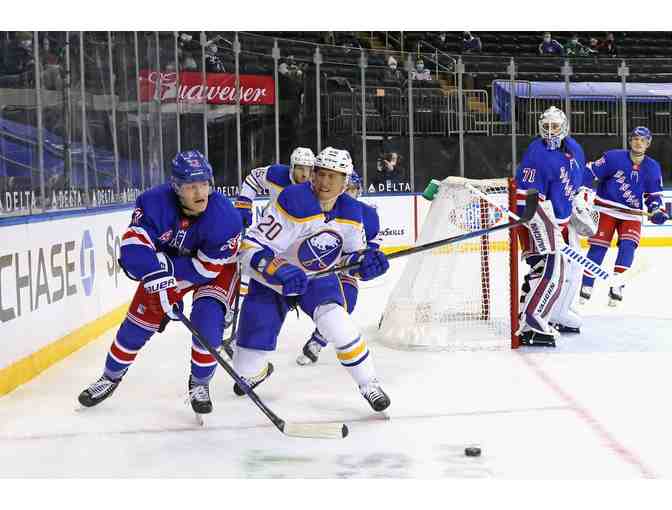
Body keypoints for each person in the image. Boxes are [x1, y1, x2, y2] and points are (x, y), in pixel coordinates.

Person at [78, 150, 243, 417]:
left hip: (216, 269)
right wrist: (158, 277)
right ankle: (110, 377)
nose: (200, 192)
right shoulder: (154, 202)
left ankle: (200, 383)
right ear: (176, 187)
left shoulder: (226, 217)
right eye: (191, 186)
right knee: (137, 326)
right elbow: (132, 249)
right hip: (165, 269)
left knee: (208, 323)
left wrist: (165, 269)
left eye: (204, 184)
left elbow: (207, 269)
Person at [233, 147, 391, 412]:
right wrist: (277, 268)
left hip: (317, 278)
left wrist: (363, 265)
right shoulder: (293, 200)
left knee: (340, 326)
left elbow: (348, 258)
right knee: (244, 369)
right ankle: (256, 371)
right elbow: (248, 248)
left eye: (333, 177)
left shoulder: (352, 212)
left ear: (345, 182)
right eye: (321, 174)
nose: (325, 182)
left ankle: (369, 384)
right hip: (272, 282)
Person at [514, 106, 590, 346]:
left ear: (564, 127)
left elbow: (576, 185)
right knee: (550, 270)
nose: (550, 131)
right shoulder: (536, 154)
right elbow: (526, 199)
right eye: (546, 126)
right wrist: (545, 228)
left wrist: (578, 204)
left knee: (570, 270)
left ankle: (553, 314)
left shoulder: (574, 149)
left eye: (555, 126)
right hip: (536, 220)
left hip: (562, 224)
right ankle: (532, 324)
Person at [296, 170, 382, 365]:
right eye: (347, 189)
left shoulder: (368, 214)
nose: (350, 193)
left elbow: (372, 245)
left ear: (358, 190)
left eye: (353, 189)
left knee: (347, 302)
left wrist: (367, 259)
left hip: (346, 265)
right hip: (317, 265)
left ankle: (316, 342)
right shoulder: (322, 207)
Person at [580, 127, 668, 306]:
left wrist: (656, 210)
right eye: (635, 139)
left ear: (648, 143)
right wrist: (582, 190)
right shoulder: (613, 157)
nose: (638, 142)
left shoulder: (652, 167)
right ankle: (587, 284)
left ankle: (617, 285)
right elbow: (589, 171)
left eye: (643, 140)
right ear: (630, 141)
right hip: (605, 209)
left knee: (628, 247)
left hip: (631, 215)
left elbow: (654, 195)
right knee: (599, 246)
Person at [234, 147, 315, 228]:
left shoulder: (317, 185)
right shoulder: (276, 174)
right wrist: (244, 204)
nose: (305, 174)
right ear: (292, 167)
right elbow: (253, 178)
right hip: (270, 226)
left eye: (308, 169)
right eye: (300, 168)